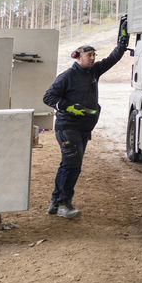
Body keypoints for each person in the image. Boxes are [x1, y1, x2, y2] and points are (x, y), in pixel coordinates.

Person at [42, 21, 130, 218]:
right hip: (68, 127)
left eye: (93, 55)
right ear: (78, 57)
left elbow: (113, 58)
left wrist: (123, 41)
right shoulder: (67, 76)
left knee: (70, 165)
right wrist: (68, 107)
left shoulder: (93, 72)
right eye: (89, 55)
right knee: (72, 165)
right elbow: (48, 98)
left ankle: (56, 203)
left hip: (83, 128)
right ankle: (63, 204)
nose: (92, 58)